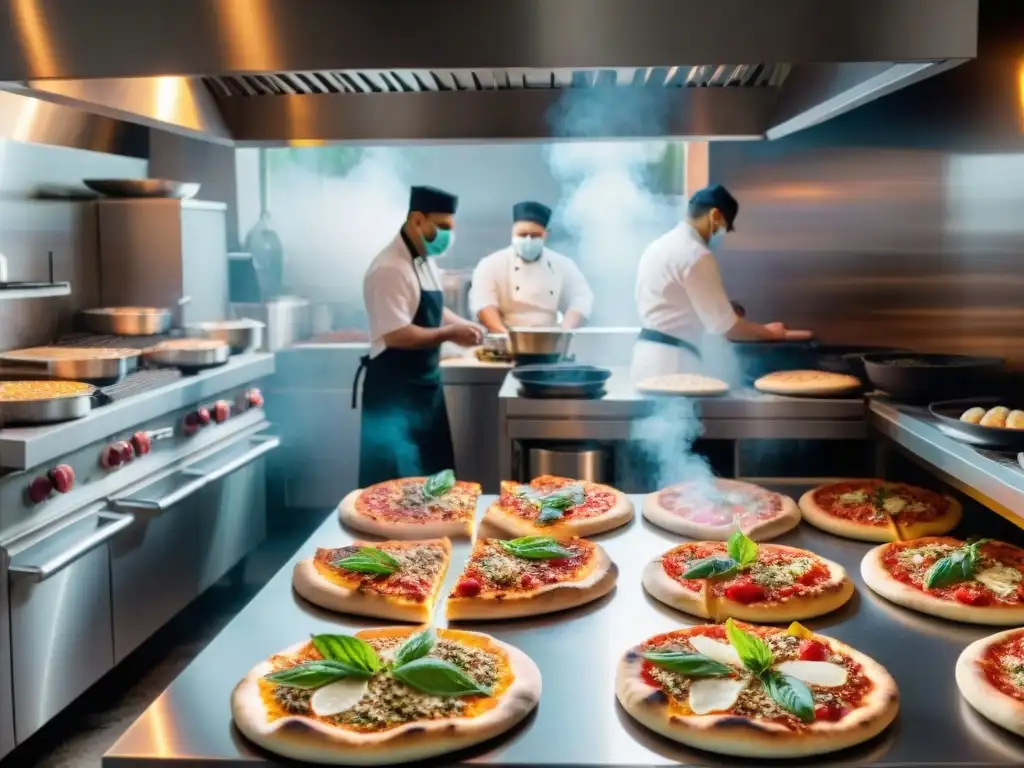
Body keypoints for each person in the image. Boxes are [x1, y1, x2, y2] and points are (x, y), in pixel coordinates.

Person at [354, 185, 483, 486]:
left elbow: (434, 309)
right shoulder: (389, 268)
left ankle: (436, 534)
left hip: (426, 393)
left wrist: (467, 326)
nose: (447, 236)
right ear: (416, 220)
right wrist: (451, 333)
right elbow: (398, 335)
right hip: (393, 397)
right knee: (395, 491)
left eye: (451, 228)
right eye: (441, 227)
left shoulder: (425, 260)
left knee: (435, 487)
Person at [631, 184, 811, 381]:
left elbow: (673, 305)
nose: (723, 235)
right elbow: (726, 328)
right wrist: (770, 333)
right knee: (675, 412)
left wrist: (724, 308)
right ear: (715, 216)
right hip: (673, 365)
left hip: (646, 359)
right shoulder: (695, 254)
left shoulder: (658, 246)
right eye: (726, 226)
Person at [470, 201, 594, 332]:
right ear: (512, 233)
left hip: (549, 339)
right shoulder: (491, 264)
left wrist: (565, 331)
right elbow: (483, 303)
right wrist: (506, 338)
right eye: (522, 235)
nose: (528, 240)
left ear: (546, 235)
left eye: (535, 235)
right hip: (503, 341)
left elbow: (581, 298)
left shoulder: (562, 265)